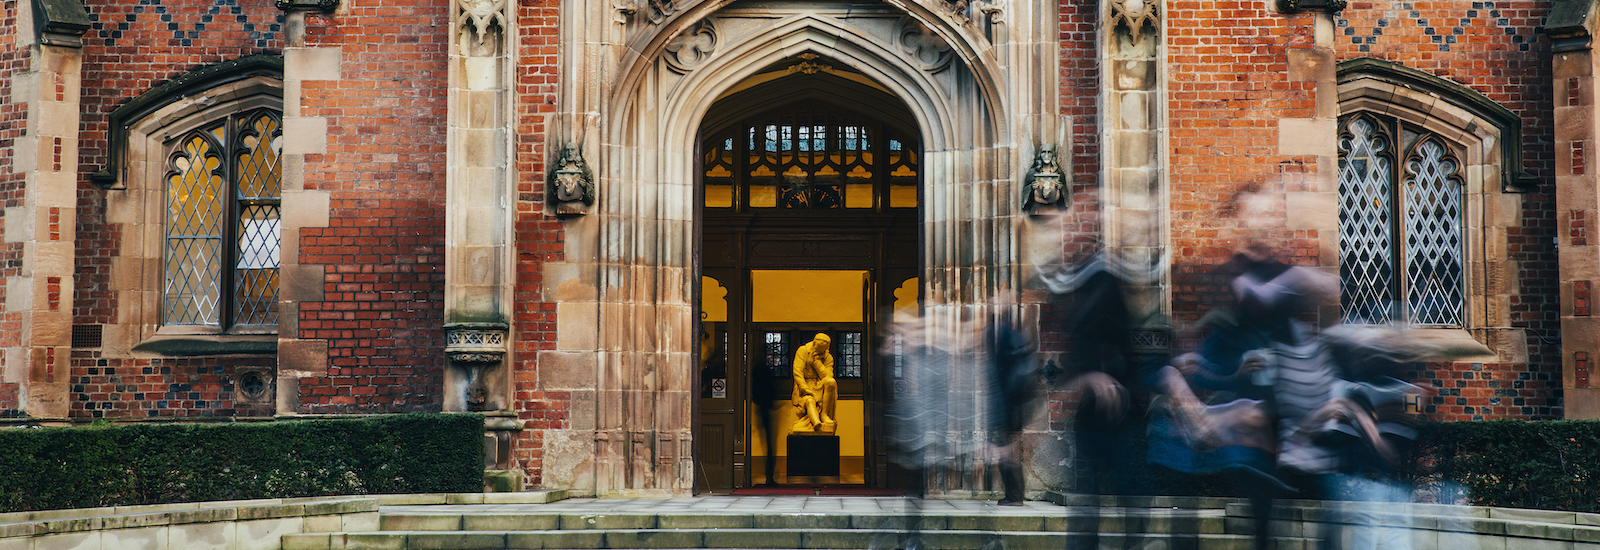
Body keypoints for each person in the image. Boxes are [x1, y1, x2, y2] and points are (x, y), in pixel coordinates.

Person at [985, 296, 1036, 505]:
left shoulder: (1005, 335)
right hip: (1010, 403)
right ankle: (1013, 494)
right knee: (1006, 450)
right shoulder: (1009, 334)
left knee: (1006, 451)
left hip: (1008, 404)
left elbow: (1003, 373)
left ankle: (1014, 495)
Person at [792, 333, 839, 432]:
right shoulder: (803, 351)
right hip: (805, 385)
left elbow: (828, 376)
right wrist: (805, 389)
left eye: (822, 351)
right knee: (809, 400)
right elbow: (797, 372)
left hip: (819, 385)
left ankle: (824, 414)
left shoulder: (828, 357)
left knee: (831, 382)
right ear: (813, 344)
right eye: (818, 350)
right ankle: (817, 423)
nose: (819, 352)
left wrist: (817, 362)